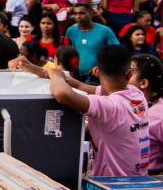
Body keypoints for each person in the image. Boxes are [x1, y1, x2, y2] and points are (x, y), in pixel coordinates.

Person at [23, 44, 148, 177]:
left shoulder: (109, 106)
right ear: (130, 74)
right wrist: (41, 71)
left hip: (111, 183)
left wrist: (56, 77)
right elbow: (80, 85)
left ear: (97, 71)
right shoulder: (136, 93)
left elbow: (61, 94)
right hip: (140, 179)